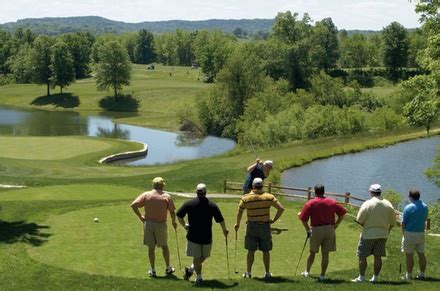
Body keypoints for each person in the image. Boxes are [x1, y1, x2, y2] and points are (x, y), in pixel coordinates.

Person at [176, 183, 229, 286]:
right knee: (199, 256)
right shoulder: (211, 204)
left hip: (193, 235)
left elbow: (179, 215)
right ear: (205, 192)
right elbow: (220, 220)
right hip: (206, 236)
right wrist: (224, 230)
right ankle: (199, 278)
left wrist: (185, 225)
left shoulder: (189, 203)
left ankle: (191, 270)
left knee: (201, 256)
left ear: (196, 192)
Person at [235, 177, 285, 279]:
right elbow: (281, 209)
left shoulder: (246, 197)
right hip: (265, 226)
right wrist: (273, 220)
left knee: (251, 251)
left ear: (253, 186)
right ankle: (267, 273)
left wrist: (237, 224)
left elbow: (240, 211)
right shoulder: (269, 197)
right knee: (266, 251)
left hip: (251, 226)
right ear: (262, 186)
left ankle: (248, 273)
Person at [298, 184, 347, 281]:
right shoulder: (332, 202)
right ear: (324, 191)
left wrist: (308, 230)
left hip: (316, 229)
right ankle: (322, 275)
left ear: (314, 192)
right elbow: (343, 213)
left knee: (312, 252)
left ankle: (307, 272)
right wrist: (336, 224)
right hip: (329, 229)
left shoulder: (310, 203)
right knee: (325, 253)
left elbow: (303, 218)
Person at [131, 177, 178, 277]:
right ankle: (168, 268)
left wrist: (141, 218)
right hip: (160, 225)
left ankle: (152, 270)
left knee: (151, 248)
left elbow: (134, 205)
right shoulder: (166, 196)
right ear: (161, 185)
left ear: (153, 185)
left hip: (148, 224)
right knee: (164, 246)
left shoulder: (146, 195)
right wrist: (174, 222)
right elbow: (172, 212)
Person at [351, 184, 396, 283]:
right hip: (383, 234)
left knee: (362, 256)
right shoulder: (388, 204)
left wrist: (366, 226)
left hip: (368, 234)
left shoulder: (368, 203)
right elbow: (393, 222)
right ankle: (375, 278)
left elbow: (359, 220)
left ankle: (361, 277)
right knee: (378, 256)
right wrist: (387, 230)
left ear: (371, 192)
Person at [401, 188, 429, 281]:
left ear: (411, 197)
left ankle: (408, 275)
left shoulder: (408, 207)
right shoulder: (425, 206)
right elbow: (425, 219)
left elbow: (403, 223)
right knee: (421, 254)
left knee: (409, 254)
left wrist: (403, 233)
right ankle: (422, 274)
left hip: (410, 233)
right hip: (420, 233)